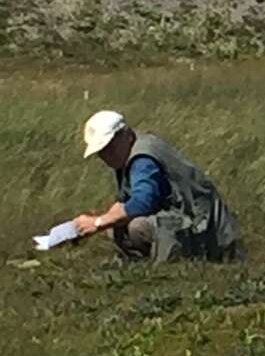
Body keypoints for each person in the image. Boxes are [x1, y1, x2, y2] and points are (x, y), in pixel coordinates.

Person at [69, 111, 243, 263]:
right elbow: (124, 202)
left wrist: (98, 222)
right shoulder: (127, 156)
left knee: (138, 226)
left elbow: (142, 202)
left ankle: (178, 265)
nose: (106, 155)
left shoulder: (142, 159)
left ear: (126, 134)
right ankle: (141, 265)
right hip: (187, 221)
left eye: (109, 147)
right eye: (102, 151)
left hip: (205, 229)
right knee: (116, 224)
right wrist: (90, 225)